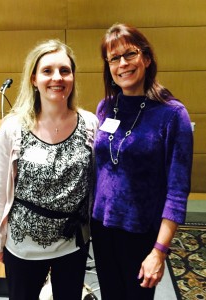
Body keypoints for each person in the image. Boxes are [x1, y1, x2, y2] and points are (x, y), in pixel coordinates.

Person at [91, 23, 193, 300]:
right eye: (114, 58)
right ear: (108, 67)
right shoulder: (106, 107)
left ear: (146, 58)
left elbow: (177, 190)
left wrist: (159, 251)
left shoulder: (172, 115)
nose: (122, 64)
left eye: (130, 54)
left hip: (141, 233)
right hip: (102, 228)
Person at [0, 39, 98, 300]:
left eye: (64, 70)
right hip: (23, 246)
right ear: (33, 79)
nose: (57, 78)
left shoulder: (90, 123)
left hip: (72, 244)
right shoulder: (14, 127)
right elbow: (1, 190)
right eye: (47, 71)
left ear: (72, 77)